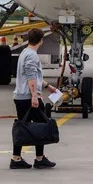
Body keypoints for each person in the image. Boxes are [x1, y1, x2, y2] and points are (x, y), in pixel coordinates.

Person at [10, 28, 58, 169]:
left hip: (20, 96)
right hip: (28, 97)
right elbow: (31, 77)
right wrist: (35, 96)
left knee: (22, 126)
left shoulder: (25, 52)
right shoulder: (32, 56)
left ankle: (16, 158)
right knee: (41, 126)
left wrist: (48, 87)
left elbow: (32, 76)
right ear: (41, 41)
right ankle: (39, 158)